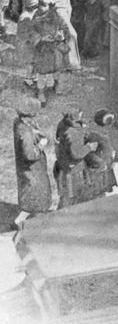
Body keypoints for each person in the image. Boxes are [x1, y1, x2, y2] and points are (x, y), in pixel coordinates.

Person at [12, 96, 51, 229]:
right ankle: (21, 223)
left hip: (30, 170)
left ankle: (25, 220)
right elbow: (29, 155)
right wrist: (41, 145)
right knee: (35, 195)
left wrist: (37, 133)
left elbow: (32, 130)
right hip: (32, 169)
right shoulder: (25, 132)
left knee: (32, 196)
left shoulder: (20, 123)